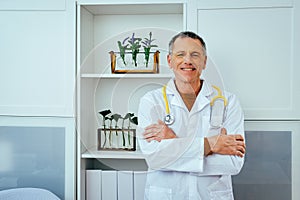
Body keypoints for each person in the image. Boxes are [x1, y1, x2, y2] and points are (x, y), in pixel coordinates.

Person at [137, 31, 246, 200]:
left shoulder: (228, 102)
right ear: (170, 61)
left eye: (195, 55)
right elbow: (155, 159)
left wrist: (173, 143)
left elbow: (233, 163)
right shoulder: (151, 101)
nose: (187, 60)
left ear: (204, 61)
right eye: (180, 54)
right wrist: (210, 145)